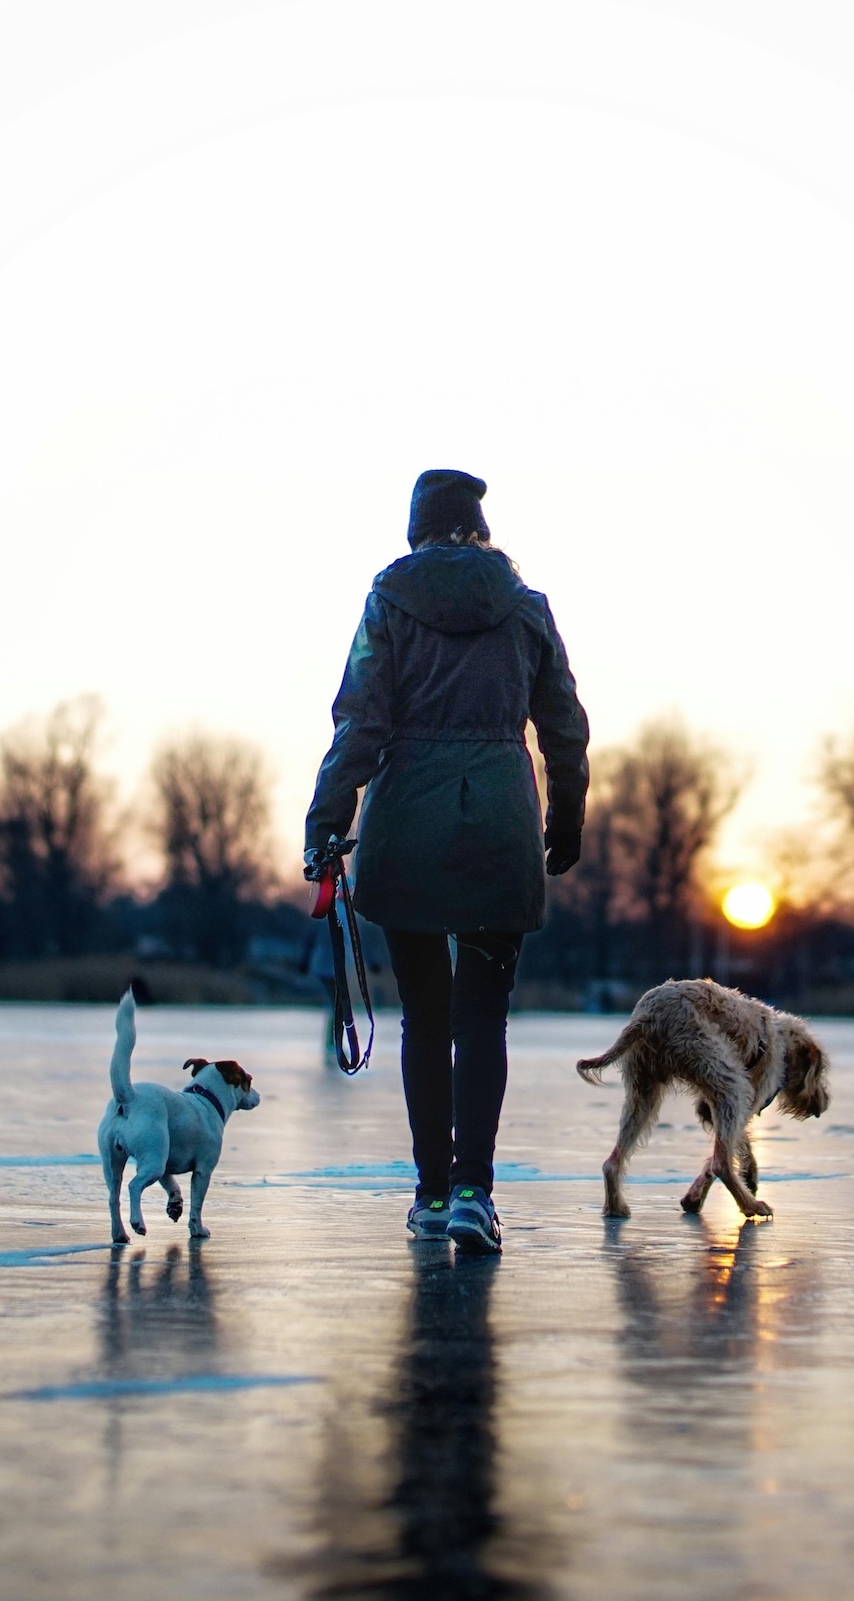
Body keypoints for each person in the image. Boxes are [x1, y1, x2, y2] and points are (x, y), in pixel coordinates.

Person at [304, 470, 589, 1254]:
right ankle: (474, 1194)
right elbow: (564, 729)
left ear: (417, 531)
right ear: (478, 529)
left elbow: (358, 722)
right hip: (500, 828)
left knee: (425, 1018)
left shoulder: (390, 605)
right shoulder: (526, 609)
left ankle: (432, 1195)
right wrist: (564, 824)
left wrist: (327, 821)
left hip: (408, 829)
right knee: (483, 1018)